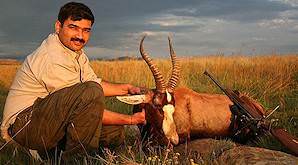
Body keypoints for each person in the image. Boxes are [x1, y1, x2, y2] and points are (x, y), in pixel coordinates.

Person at [0, 1, 146, 159]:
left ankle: (56, 155)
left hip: (48, 119)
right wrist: (131, 119)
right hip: (24, 126)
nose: (80, 36)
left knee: (113, 130)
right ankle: (75, 160)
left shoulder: (75, 53)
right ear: (58, 26)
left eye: (86, 30)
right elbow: (86, 100)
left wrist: (127, 88)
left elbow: (93, 83)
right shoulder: (51, 57)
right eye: (73, 28)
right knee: (92, 93)